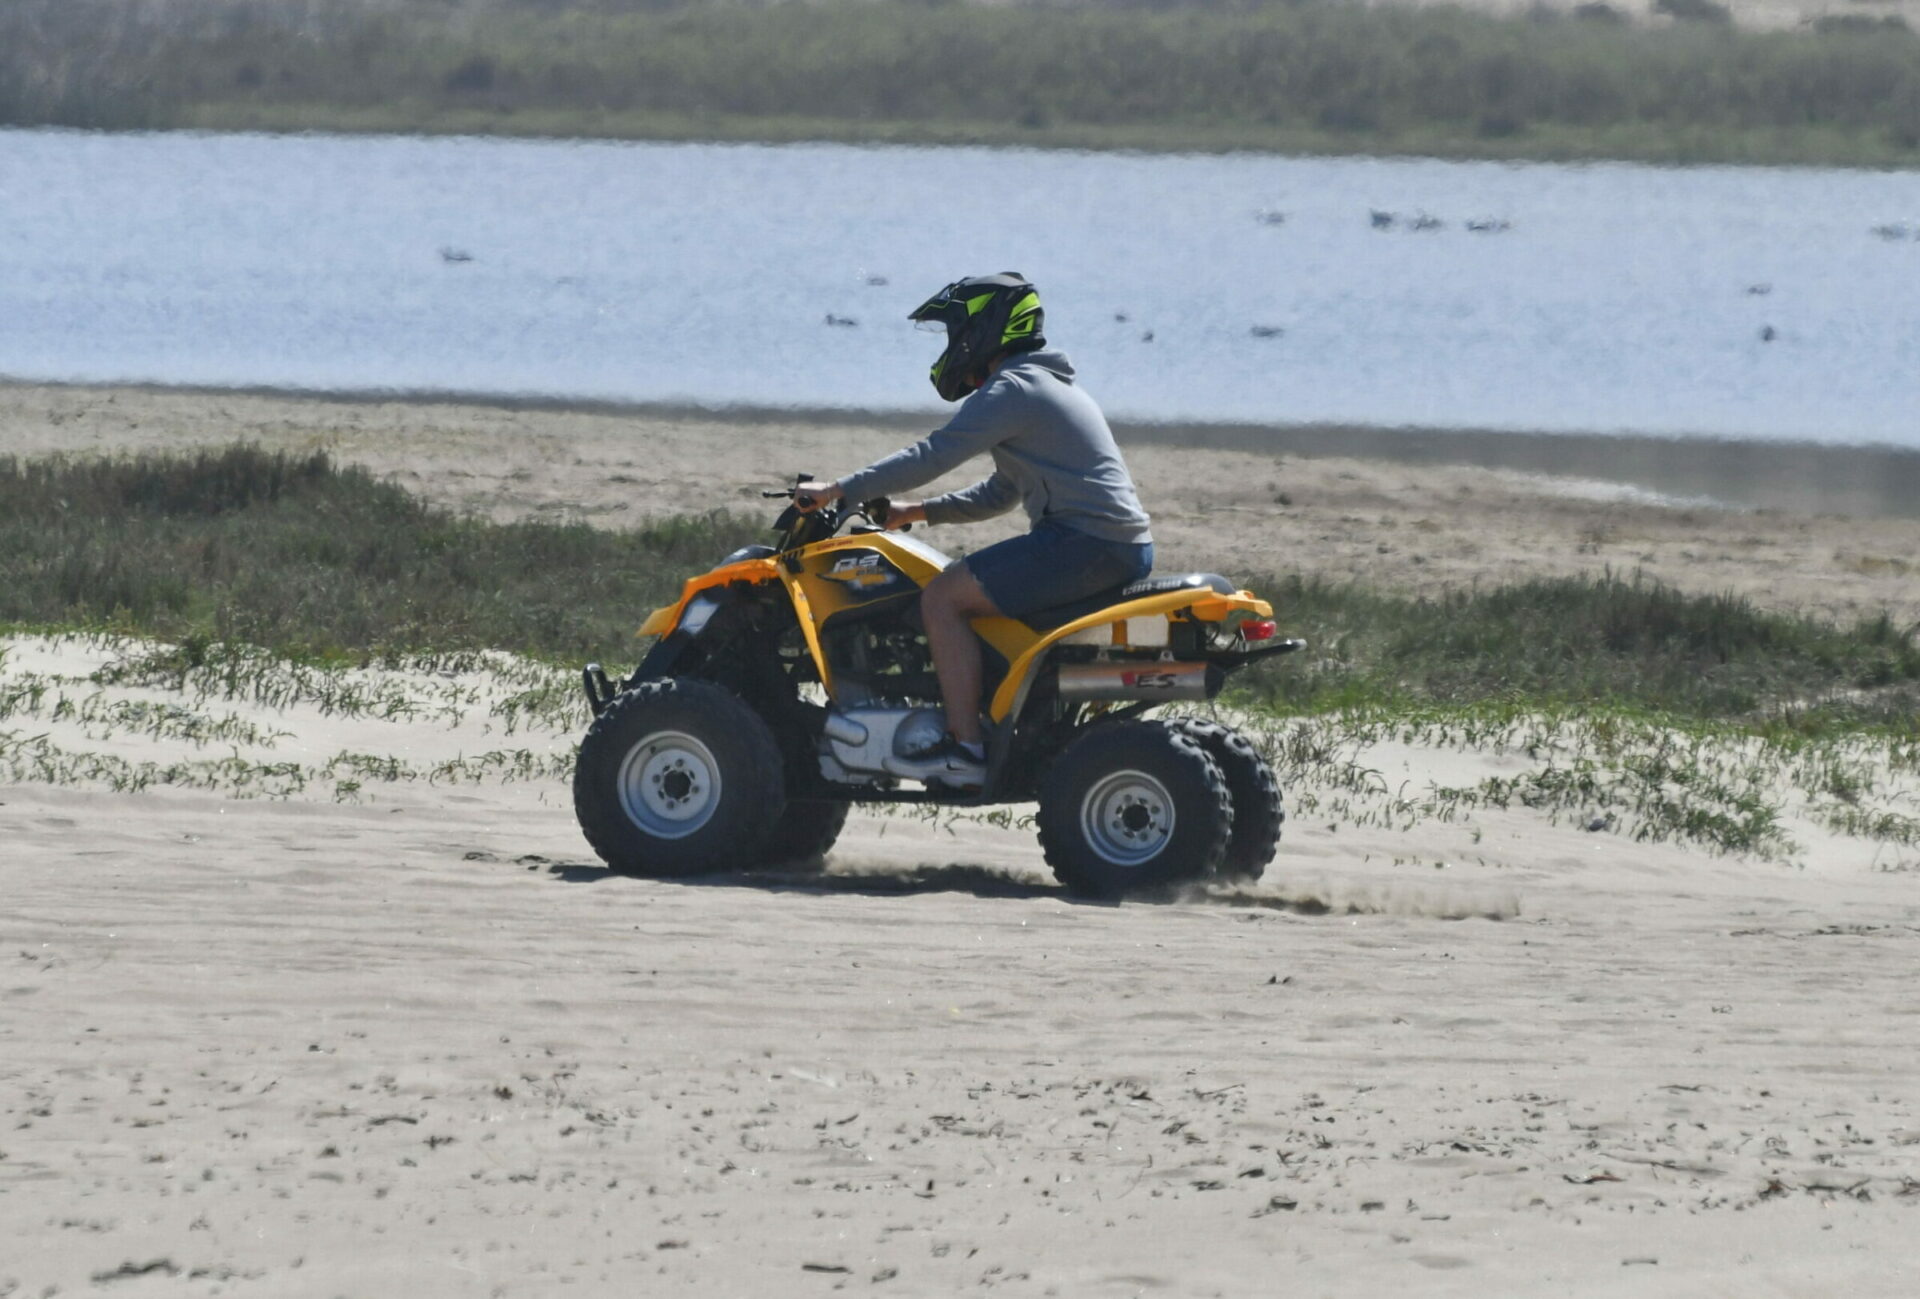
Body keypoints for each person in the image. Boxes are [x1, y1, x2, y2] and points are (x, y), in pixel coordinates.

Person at [797, 272, 1153, 786]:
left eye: (954, 331)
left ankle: (963, 750)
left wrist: (840, 490)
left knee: (942, 599)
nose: (951, 344)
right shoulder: (1042, 385)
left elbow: (932, 454)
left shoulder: (1014, 389)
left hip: (1083, 544)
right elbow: (1001, 492)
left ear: (984, 328)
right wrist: (915, 512)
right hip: (1113, 545)